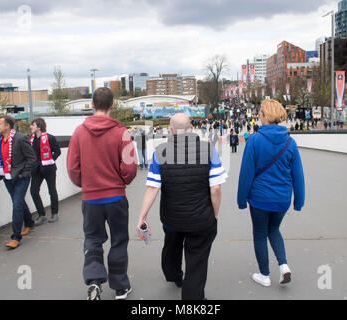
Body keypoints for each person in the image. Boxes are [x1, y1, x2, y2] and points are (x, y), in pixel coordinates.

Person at [136, 113, 227, 300]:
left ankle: (174, 275)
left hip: (172, 218)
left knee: (172, 245)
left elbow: (153, 188)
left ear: (171, 130)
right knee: (197, 260)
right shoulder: (209, 150)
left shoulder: (159, 152)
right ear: (192, 128)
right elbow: (215, 188)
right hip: (201, 219)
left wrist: (142, 217)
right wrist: (215, 214)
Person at [67, 87, 138, 300]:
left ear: (92, 104)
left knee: (92, 239)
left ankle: (95, 281)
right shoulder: (121, 133)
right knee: (118, 240)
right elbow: (130, 166)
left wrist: (85, 184)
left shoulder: (79, 132)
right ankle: (120, 287)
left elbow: (72, 167)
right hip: (115, 197)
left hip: (91, 199)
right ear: (112, 105)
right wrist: (121, 181)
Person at [237, 99, 305, 288]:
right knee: (274, 230)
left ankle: (265, 274)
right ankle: (283, 266)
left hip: (259, 198)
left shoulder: (254, 140)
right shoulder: (290, 143)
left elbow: (246, 173)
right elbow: (298, 175)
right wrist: (298, 201)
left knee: (259, 233)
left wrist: (241, 199)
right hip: (282, 198)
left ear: (265, 116)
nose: (259, 116)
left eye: (260, 113)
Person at [0, 116, 36, 249]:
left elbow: (31, 158)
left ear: (7, 126)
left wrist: (24, 173)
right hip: (7, 177)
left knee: (16, 204)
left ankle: (16, 237)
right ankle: (29, 223)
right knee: (19, 202)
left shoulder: (20, 138)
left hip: (21, 178)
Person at [29, 118, 61, 226]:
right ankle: (42, 215)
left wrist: (50, 160)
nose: (31, 127)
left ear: (39, 127)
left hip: (48, 168)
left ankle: (54, 213)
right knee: (33, 191)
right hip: (36, 170)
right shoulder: (31, 139)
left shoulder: (50, 138)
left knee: (52, 191)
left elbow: (57, 151)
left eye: (33, 125)